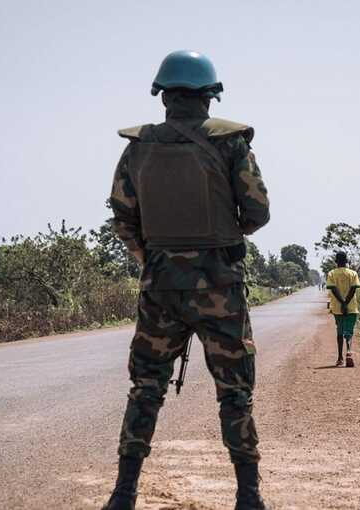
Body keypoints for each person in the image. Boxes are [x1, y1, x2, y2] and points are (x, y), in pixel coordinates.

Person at [103, 50, 271, 510]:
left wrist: (151, 256)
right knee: (235, 392)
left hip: (159, 287)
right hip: (220, 288)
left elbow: (122, 216)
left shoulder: (137, 148)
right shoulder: (231, 143)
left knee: (146, 388)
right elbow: (257, 212)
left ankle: (123, 494)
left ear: (163, 96)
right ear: (210, 97)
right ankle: (249, 497)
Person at [326, 252, 360, 367]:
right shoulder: (353, 273)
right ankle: (349, 352)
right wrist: (346, 303)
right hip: (352, 307)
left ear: (336, 261)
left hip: (337, 308)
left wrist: (341, 303)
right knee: (349, 331)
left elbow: (334, 289)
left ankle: (340, 358)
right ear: (347, 261)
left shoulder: (331, 274)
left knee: (340, 331)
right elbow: (353, 289)